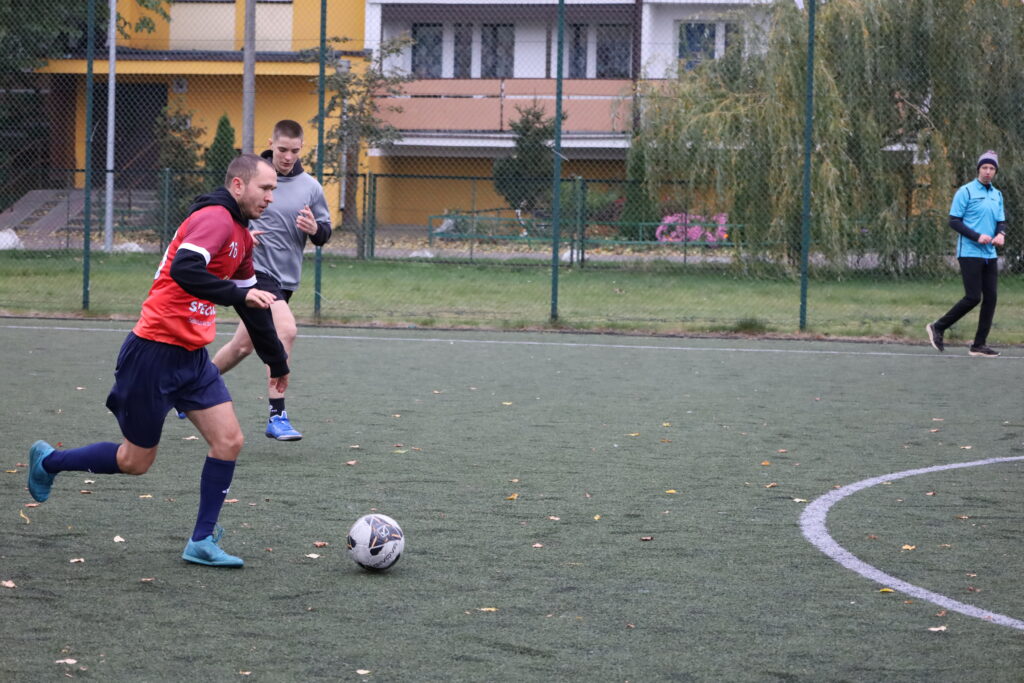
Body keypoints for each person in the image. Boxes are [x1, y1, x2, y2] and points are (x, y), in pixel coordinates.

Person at [27, 154, 289, 568]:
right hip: (153, 353)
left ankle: (201, 540)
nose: (271, 197)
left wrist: (276, 361)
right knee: (135, 461)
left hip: (192, 359)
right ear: (239, 185)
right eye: (266, 187)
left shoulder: (241, 235)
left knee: (229, 441)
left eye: (274, 189)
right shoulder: (215, 219)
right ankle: (49, 461)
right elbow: (186, 269)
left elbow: (252, 305)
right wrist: (238, 294)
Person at [211, 119, 332, 441]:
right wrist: (242, 235)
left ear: (301, 148)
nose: (288, 156)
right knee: (285, 331)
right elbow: (226, 213)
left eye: (294, 151)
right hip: (254, 272)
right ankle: (277, 415)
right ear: (271, 144)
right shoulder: (253, 177)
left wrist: (315, 230)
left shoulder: (311, 187)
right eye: (282, 150)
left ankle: (191, 386)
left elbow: (325, 233)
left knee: (242, 346)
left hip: (285, 281)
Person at [926, 150, 1007, 357]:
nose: (988, 171)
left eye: (991, 168)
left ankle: (979, 345)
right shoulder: (966, 191)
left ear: (995, 171)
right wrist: (977, 236)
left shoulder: (997, 194)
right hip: (970, 252)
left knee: (991, 298)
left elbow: (1001, 221)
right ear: (978, 169)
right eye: (984, 167)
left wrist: (1001, 234)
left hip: (990, 254)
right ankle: (937, 327)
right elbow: (954, 221)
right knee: (973, 297)